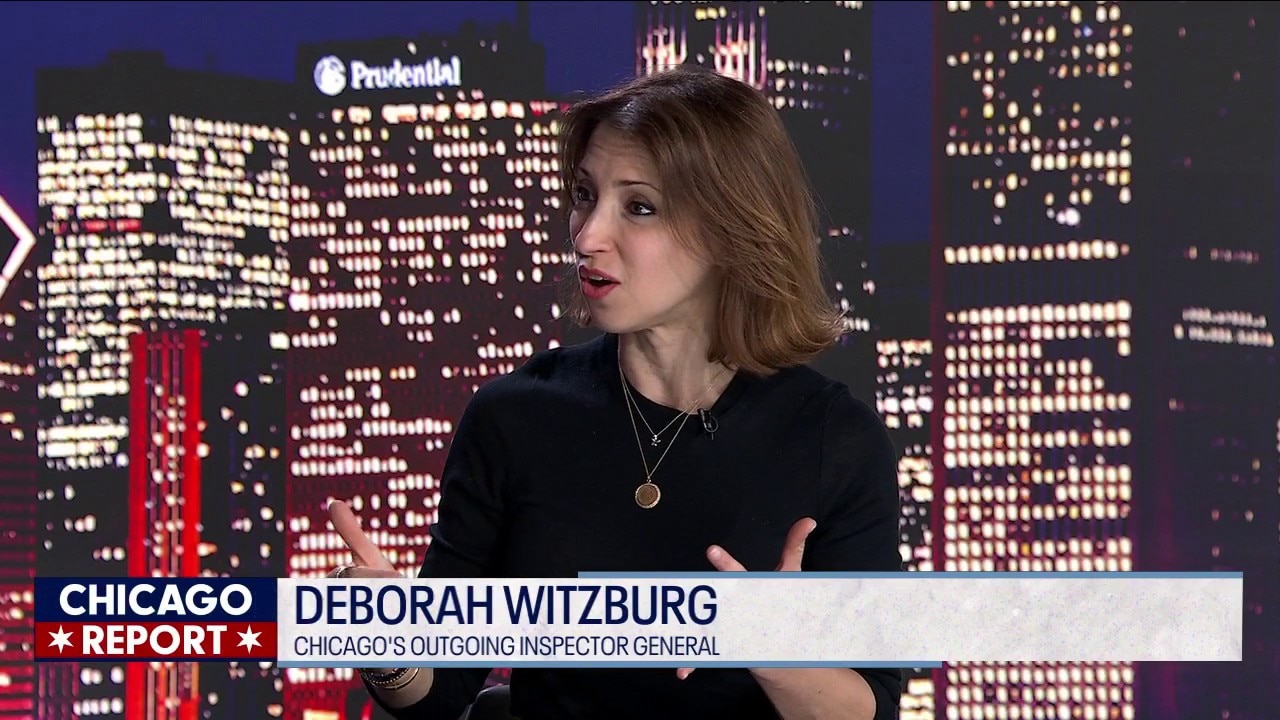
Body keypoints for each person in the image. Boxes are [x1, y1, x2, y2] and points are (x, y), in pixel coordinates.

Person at [326, 64, 904, 720]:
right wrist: (388, 642)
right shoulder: (514, 417)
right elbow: (438, 694)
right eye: (584, 195)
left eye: (639, 207)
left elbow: (874, 704)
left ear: (731, 228)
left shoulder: (833, 439)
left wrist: (778, 657)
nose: (587, 235)